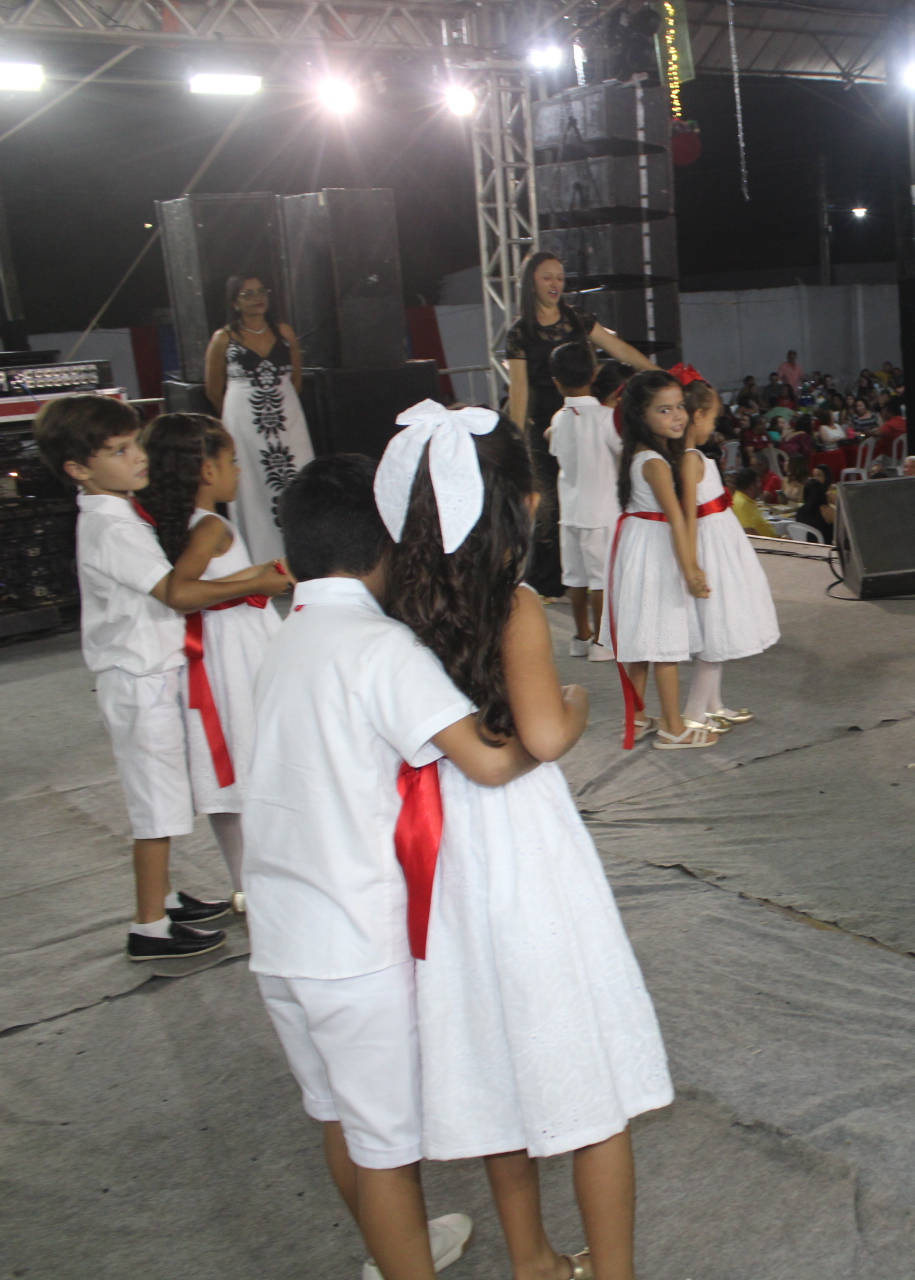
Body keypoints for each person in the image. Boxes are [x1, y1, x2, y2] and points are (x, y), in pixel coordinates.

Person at [372, 406, 673, 1280]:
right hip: (521, 845)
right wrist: (578, 704)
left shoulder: (395, 603)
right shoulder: (513, 604)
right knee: (586, 1065)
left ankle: (532, 1259)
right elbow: (540, 734)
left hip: (438, 838)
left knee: (497, 1062)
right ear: (523, 503)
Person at [246, 454, 541, 1280]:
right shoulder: (378, 647)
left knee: (341, 1122)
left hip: (282, 937)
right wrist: (563, 716)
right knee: (384, 1147)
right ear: (388, 545)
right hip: (355, 944)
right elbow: (490, 759)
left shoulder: (286, 639)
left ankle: (396, 1248)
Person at [34, 395, 289, 960]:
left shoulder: (120, 512)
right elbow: (175, 592)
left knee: (167, 796)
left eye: (135, 444)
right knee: (157, 807)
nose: (137, 457)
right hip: (138, 678)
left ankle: (166, 900)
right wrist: (256, 581)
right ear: (78, 469)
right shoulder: (112, 528)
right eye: (119, 451)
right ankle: (149, 927)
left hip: (153, 671)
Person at [136, 412, 285, 906]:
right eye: (232, 461)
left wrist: (256, 576)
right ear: (206, 470)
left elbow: (205, 582)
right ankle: (258, 884)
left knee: (235, 768)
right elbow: (181, 591)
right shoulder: (211, 526)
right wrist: (256, 582)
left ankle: (247, 883)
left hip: (220, 650)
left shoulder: (180, 524)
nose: (238, 471)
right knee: (248, 755)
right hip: (231, 655)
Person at [503, 252, 658, 596]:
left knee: (595, 496)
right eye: (547, 277)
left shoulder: (577, 318)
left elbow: (619, 349)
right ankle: (552, 581)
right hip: (544, 425)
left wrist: (657, 372)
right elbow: (519, 390)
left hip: (586, 418)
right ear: (531, 282)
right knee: (550, 506)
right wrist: (516, 441)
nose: (555, 284)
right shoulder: (519, 332)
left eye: (560, 277)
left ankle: (602, 572)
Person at [603, 370, 716, 750]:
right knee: (664, 639)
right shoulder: (655, 462)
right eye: (664, 410)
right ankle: (673, 727)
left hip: (638, 546)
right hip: (654, 551)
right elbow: (677, 518)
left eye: (679, 407)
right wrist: (691, 569)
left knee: (642, 638)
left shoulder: (639, 454)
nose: (677, 416)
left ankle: (635, 718)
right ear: (641, 415)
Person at [678, 377, 779, 732]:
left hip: (722, 544)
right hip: (712, 551)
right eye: (712, 418)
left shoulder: (696, 457)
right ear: (698, 416)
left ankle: (713, 705)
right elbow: (688, 515)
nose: (714, 426)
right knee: (715, 629)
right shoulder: (689, 460)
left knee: (720, 624)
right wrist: (693, 564)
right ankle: (694, 712)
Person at [201, 272, 315, 562]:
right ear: (234, 302)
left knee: (298, 478)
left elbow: (296, 380)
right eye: (247, 294)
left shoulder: (284, 332)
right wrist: (236, 419)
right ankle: (262, 560)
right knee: (251, 484)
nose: (257, 298)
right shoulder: (223, 338)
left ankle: (304, 556)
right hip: (244, 422)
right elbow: (213, 389)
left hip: (287, 419)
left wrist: (282, 406)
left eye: (261, 291)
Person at [544, 342, 621, 662]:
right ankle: (602, 643)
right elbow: (624, 452)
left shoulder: (558, 418)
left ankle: (581, 636)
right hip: (601, 511)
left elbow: (552, 444)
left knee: (576, 579)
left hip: (570, 511)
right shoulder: (607, 418)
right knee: (601, 581)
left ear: (556, 381)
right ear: (594, 373)